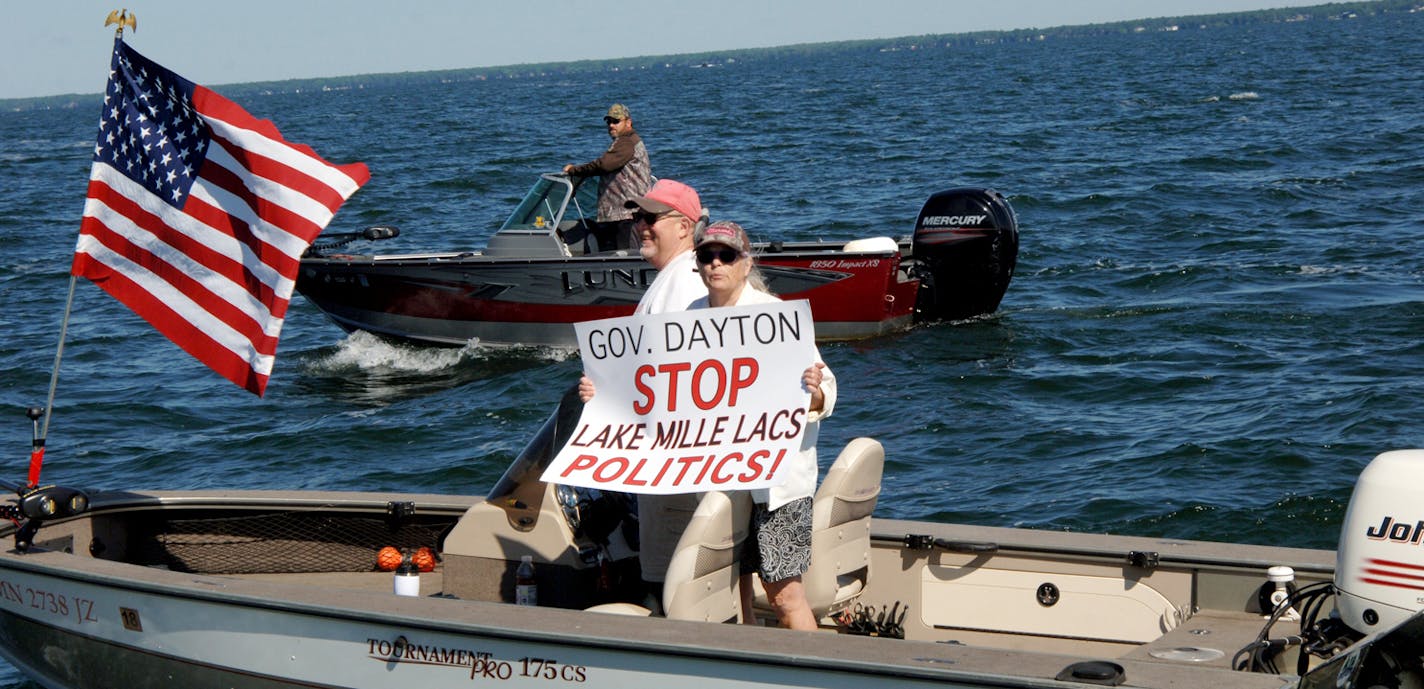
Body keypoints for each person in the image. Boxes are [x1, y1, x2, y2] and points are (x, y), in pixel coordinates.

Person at [688, 221, 835, 631]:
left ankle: (813, 676)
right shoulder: (688, 319)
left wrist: (813, 392)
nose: (715, 263)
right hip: (718, 472)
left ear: (745, 262)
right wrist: (605, 393)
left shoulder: (775, 315)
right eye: (706, 255)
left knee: (786, 595)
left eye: (726, 255)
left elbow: (826, 388)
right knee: (732, 586)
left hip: (779, 480)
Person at [578, 178, 706, 607]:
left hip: (677, 471)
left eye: (652, 218)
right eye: (637, 217)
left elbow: (680, 374)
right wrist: (606, 388)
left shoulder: (685, 283)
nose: (640, 226)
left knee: (672, 585)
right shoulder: (671, 279)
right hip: (663, 466)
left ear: (685, 226)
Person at [562, 103, 651, 253]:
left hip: (626, 215)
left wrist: (574, 170)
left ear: (628, 122)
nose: (611, 125)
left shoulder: (626, 142)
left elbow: (604, 165)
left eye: (616, 121)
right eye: (608, 121)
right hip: (622, 214)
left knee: (626, 258)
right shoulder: (628, 141)